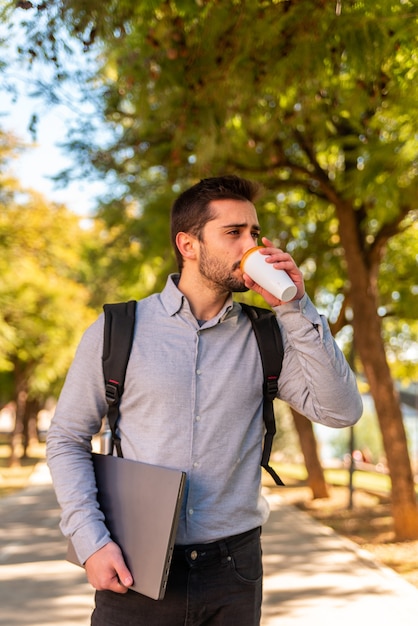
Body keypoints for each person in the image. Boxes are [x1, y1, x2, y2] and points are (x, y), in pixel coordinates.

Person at [47, 175, 362, 626]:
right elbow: (66, 437)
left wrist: (296, 307)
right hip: (133, 563)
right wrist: (90, 540)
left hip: (234, 570)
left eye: (254, 233)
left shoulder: (268, 334)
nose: (250, 245)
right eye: (233, 233)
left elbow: (342, 411)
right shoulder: (118, 329)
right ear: (189, 245)